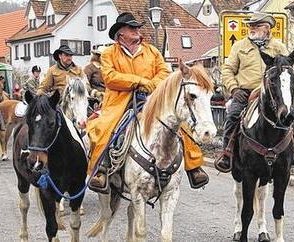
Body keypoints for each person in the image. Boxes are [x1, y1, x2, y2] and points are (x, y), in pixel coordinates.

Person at [87, 12, 209, 192]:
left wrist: (154, 84)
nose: (137, 30)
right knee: (104, 127)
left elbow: (164, 72)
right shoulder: (109, 54)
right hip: (120, 100)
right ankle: (101, 169)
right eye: (132, 27)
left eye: (137, 27)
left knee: (179, 124)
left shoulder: (152, 51)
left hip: (153, 98)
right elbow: (110, 77)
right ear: (120, 33)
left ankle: (194, 166)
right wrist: (140, 81)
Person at [215, 12, 294, 172]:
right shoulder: (239, 46)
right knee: (233, 115)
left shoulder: (278, 47)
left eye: (256, 25)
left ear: (267, 28)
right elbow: (227, 69)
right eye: (251, 26)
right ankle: (227, 153)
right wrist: (234, 88)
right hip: (246, 93)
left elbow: (287, 71)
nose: (251, 28)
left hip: (273, 96)